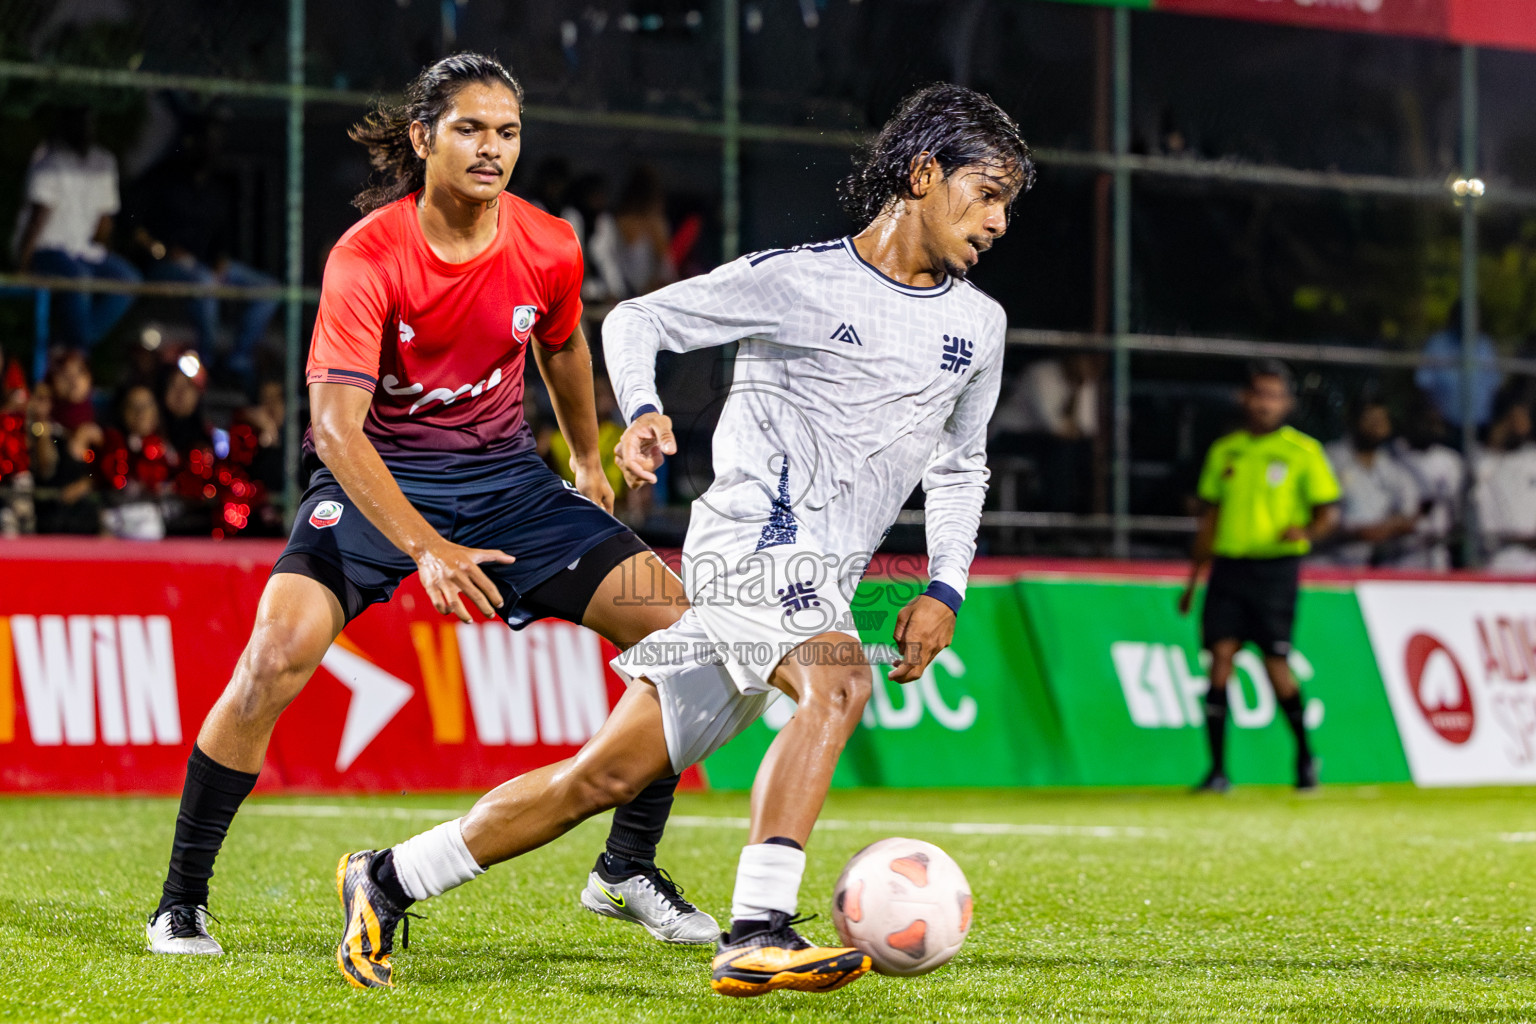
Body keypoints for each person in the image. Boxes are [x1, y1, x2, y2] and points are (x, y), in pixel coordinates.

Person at [334, 82, 1032, 997]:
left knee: (600, 778)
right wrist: (647, 409)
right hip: (746, 546)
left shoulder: (979, 326)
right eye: (987, 193)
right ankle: (759, 929)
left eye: (1010, 203)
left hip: (817, 577)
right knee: (837, 682)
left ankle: (388, 877)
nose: (1000, 222)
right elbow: (636, 320)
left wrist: (945, 587)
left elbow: (960, 468)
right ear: (923, 173)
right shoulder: (798, 279)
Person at [145, 53, 715, 960]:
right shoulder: (367, 257)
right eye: (470, 129)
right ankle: (181, 901)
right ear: (423, 138)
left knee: (684, 641)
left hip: (510, 485)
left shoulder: (550, 244)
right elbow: (334, 431)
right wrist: (427, 548)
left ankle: (626, 868)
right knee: (272, 657)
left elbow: (564, 345)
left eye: (508, 132)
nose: (492, 149)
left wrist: (585, 458)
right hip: (376, 483)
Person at [1178, 361, 1341, 793]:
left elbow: (1328, 513)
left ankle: (1305, 759)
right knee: (1219, 662)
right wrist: (1194, 580)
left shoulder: (1303, 452)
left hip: (1275, 569)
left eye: (1273, 396)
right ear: (1245, 399)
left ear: (1286, 403)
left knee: (1276, 668)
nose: (1265, 403)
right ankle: (1217, 771)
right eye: (1259, 394)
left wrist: (1305, 531)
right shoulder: (1225, 451)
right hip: (1229, 568)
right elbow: (1210, 519)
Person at [132, 113, 279, 395]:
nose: (210, 149)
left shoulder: (217, 187)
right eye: (205, 142)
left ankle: (238, 359)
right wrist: (161, 250)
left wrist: (221, 257)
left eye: (215, 143)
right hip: (166, 264)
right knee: (203, 282)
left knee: (268, 289)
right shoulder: (164, 178)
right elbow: (136, 227)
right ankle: (207, 361)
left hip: (206, 264)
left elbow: (224, 234)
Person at [10, 107, 142, 350]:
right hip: (46, 248)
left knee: (127, 279)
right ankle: (78, 349)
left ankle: (75, 344)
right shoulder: (49, 159)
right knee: (80, 278)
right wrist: (23, 264)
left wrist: (103, 250)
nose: (84, 129)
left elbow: (105, 220)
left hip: (82, 249)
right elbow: (37, 217)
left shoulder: (103, 162)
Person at [1321, 401, 1419, 567]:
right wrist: (1353, 533)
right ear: (1353, 421)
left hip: (1380, 564)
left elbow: (1409, 514)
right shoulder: (1330, 458)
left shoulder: (1393, 466)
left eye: (1382, 420)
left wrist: (1391, 528)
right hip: (1330, 562)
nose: (1377, 426)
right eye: (1370, 419)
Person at [1388, 395, 1463, 570]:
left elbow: (1457, 514)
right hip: (1398, 555)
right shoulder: (1391, 456)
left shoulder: (1449, 460)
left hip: (1437, 554)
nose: (1430, 427)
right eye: (1425, 421)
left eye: (1434, 421)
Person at [1416, 300, 1501, 434]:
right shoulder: (1437, 344)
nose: (1470, 321)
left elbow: (1494, 385)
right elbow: (1424, 384)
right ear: (1455, 317)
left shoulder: (1485, 345)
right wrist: (1432, 414)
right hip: (1445, 426)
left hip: (1481, 425)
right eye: (1465, 315)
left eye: (1474, 316)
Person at [1475, 394, 1536, 574]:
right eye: (1514, 419)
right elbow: (1484, 462)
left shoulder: (1531, 457)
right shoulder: (1483, 461)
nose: (1521, 426)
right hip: (1497, 559)